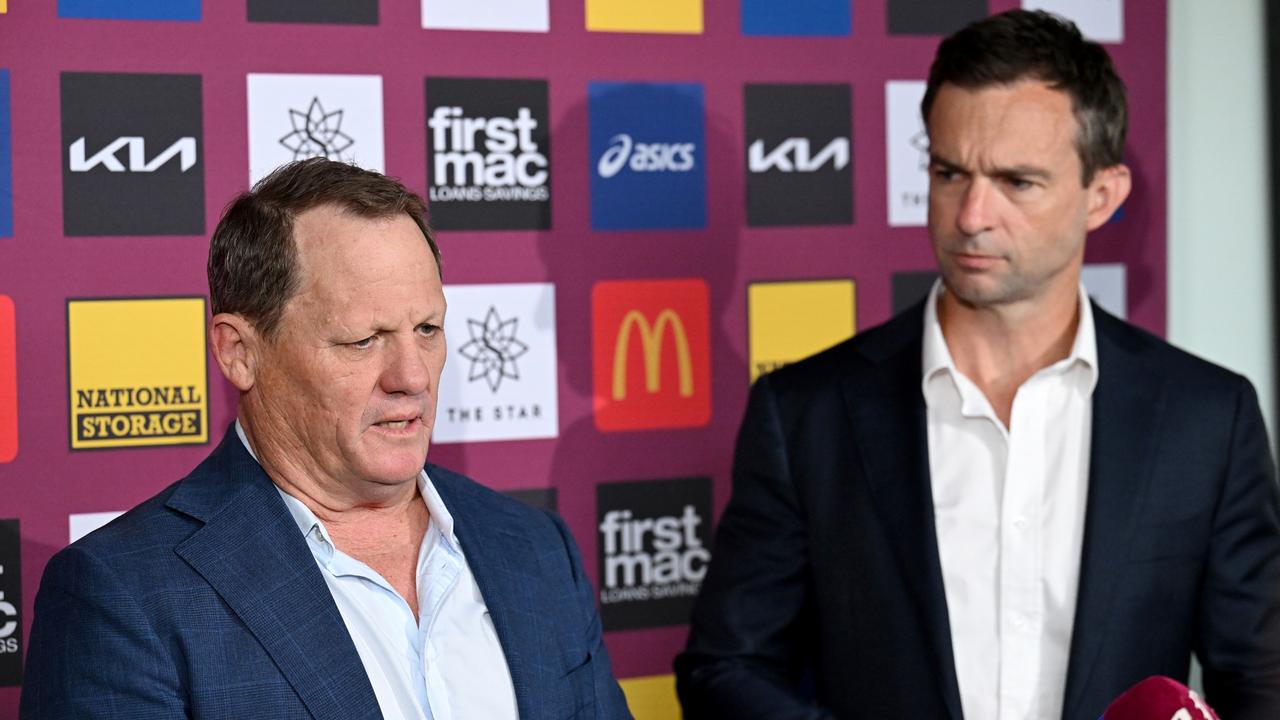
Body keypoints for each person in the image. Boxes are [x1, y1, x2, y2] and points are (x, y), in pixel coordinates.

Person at [676, 9, 1280, 720]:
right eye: (949, 172)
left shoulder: (1206, 417)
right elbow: (726, 670)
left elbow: (1260, 679)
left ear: (1102, 196)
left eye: (1017, 182)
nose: (970, 214)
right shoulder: (807, 411)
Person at [21, 158, 631, 720]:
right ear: (240, 352)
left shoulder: (534, 548)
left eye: (427, 328)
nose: (411, 376)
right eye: (363, 340)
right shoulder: (125, 597)